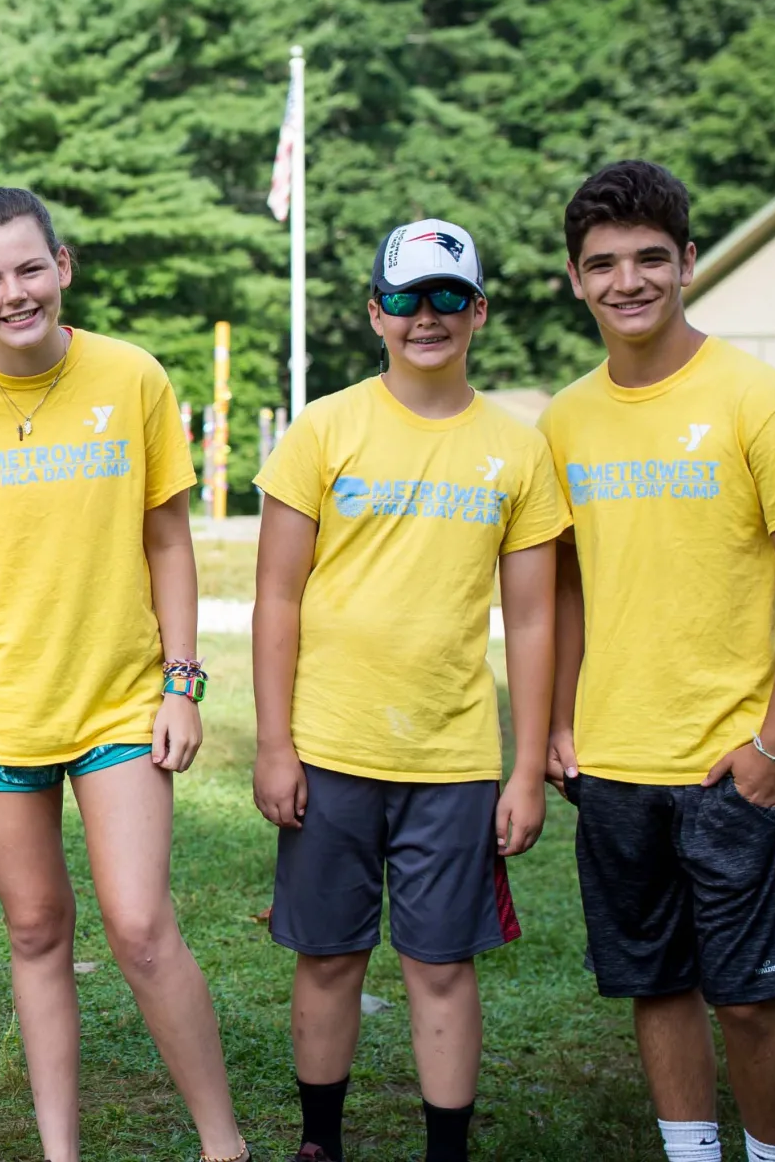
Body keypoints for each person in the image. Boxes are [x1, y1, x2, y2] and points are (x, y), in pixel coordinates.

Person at [0, 188, 246, 1162]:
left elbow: (169, 542)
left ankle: (225, 1145)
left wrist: (182, 682)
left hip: (122, 702)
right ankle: (61, 1152)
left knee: (140, 928)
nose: (16, 292)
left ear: (65, 266)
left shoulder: (131, 378)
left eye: (30, 268)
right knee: (36, 931)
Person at [251, 219, 562, 1162]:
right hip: (330, 746)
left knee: (439, 963)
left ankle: (446, 1151)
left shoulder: (517, 449)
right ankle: (320, 1142)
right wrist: (274, 743)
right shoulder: (327, 427)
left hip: (453, 756)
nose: (424, 317)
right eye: (403, 299)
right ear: (373, 314)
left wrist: (525, 769)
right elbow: (276, 594)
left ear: (477, 310)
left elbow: (536, 620)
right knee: (332, 954)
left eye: (445, 298)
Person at [542, 161, 775, 1162]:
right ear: (575, 279)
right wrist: (562, 723)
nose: (629, 281)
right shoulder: (566, 420)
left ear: (688, 262)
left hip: (730, 761)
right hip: (613, 760)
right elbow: (564, 585)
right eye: (603, 264)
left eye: (651, 257)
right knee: (657, 985)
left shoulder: (757, 399)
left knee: (750, 1002)